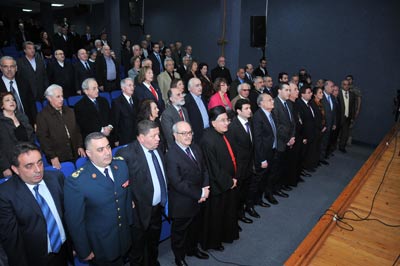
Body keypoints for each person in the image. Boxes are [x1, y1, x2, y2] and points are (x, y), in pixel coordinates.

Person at [64, 132, 132, 265]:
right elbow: (75, 221)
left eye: (108, 147)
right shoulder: (77, 181)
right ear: (89, 153)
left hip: (122, 236)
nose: (107, 152)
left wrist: (130, 224)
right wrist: (84, 250)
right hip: (100, 245)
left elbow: (126, 197)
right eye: (100, 150)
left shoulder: (121, 165)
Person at [0, 143, 71, 265]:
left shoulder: (56, 178)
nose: (38, 170)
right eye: (29, 166)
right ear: (15, 169)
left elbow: (68, 215)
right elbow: (12, 242)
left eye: (40, 162)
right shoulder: (5, 195)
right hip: (36, 259)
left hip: (64, 250)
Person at [116, 120, 168, 266]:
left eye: (158, 134)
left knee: (153, 244)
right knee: (137, 250)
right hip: (138, 212)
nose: (158, 138)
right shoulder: (126, 154)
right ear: (141, 137)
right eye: (154, 136)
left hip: (157, 207)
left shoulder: (158, 147)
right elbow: (119, 183)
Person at [167, 121, 210, 266]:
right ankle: (179, 258)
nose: (188, 136)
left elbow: (204, 169)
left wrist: (205, 188)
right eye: (183, 133)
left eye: (190, 132)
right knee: (180, 233)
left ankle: (192, 249)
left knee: (195, 228)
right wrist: (200, 193)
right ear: (175, 135)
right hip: (182, 202)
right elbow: (177, 183)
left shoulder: (195, 147)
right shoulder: (171, 155)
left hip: (199, 198)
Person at [200, 106, 239, 251]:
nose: (226, 123)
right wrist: (229, 182)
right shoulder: (207, 140)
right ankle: (214, 242)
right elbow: (214, 169)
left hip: (228, 182)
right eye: (222, 120)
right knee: (216, 217)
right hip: (218, 186)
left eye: (227, 119)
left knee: (227, 212)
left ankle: (227, 235)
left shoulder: (222, 133)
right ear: (213, 122)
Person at [36, 85, 85, 169]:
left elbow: (76, 130)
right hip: (58, 156)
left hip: (75, 152)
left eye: (62, 96)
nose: (62, 99)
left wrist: (80, 146)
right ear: (49, 98)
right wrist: (52, 156)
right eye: (58, 97)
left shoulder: (69, 111)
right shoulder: (42, 116)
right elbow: (43, 139)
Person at [226, 99, 256, 222]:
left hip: (249, 164)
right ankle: (239, 214)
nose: (250, 111)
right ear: (238, 111)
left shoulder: (250, 122)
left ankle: (247, 208)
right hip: (239, 167)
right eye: (246, 109)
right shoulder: (233, 127)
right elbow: (232, 150)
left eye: (250, 108)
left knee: (247, 190)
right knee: (238, 193)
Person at [253, 93, 279, 205]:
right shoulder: (258, 117)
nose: (272, 101)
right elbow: (257, 140)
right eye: (269, 100)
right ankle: (257, 200)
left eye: (272, 100)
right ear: (261, 103)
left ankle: (268, 194)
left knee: (270, 175)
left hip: (273, 150)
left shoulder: (271, 114)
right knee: (260, 178)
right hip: (264, 153)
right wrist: (262, 159)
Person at [0, 92, 34, 178]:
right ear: (2, 105)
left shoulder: (22, 117)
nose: (12, 102)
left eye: (13, 100)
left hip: (27, 160)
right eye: (7, 100)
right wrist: (5, 167)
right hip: (11, 164)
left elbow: (31, 139)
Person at [272, 83, 296, 194]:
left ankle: (280, 186)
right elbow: (277, 126)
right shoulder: (274, 104)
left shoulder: (289, 104)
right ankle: (272, 190)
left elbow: (293, 123)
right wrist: (287, 139)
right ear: (279, 91)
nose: (289, 92)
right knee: (275, 169)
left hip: (288, 140)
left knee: (283, 167)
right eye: (286, 90)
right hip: (280, 142)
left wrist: (292, 136)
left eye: (289, 90)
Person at [0, 56, 37, 125]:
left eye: (12, 66)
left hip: (27, 124)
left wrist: (35, 122)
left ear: (16, 68)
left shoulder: (24, 82)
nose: (9, 69)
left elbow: (31, 104)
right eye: (5, 66)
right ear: (1, 68)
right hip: (6, 127)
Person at [111, 78, 138, 146]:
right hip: (124, 137)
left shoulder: (136, 99)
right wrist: (116, 139)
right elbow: (115, 122)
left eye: (133, 85)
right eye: (129, 85)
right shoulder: (117, 102)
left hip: (136, 135)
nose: (132, 87)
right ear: (123, 88)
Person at [183, 78, 209, 144]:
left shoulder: (203, 97)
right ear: (189, 88)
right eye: (197, 85)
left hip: (208, 131)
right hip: (197, 135)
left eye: (200, 85)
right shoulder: (186, 101)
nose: (200, 87)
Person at [337, 79, 356, 153]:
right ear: (342, 85)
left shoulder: (352, 95)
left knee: (345, 134)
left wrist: (352, 117)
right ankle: (331, 147)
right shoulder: (338, 93)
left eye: (348, 84)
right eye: (344, 84)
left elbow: (353, 107)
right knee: (335, 133)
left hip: (347, 117)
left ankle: (342, 147)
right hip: (339, 117)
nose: (346, 86)